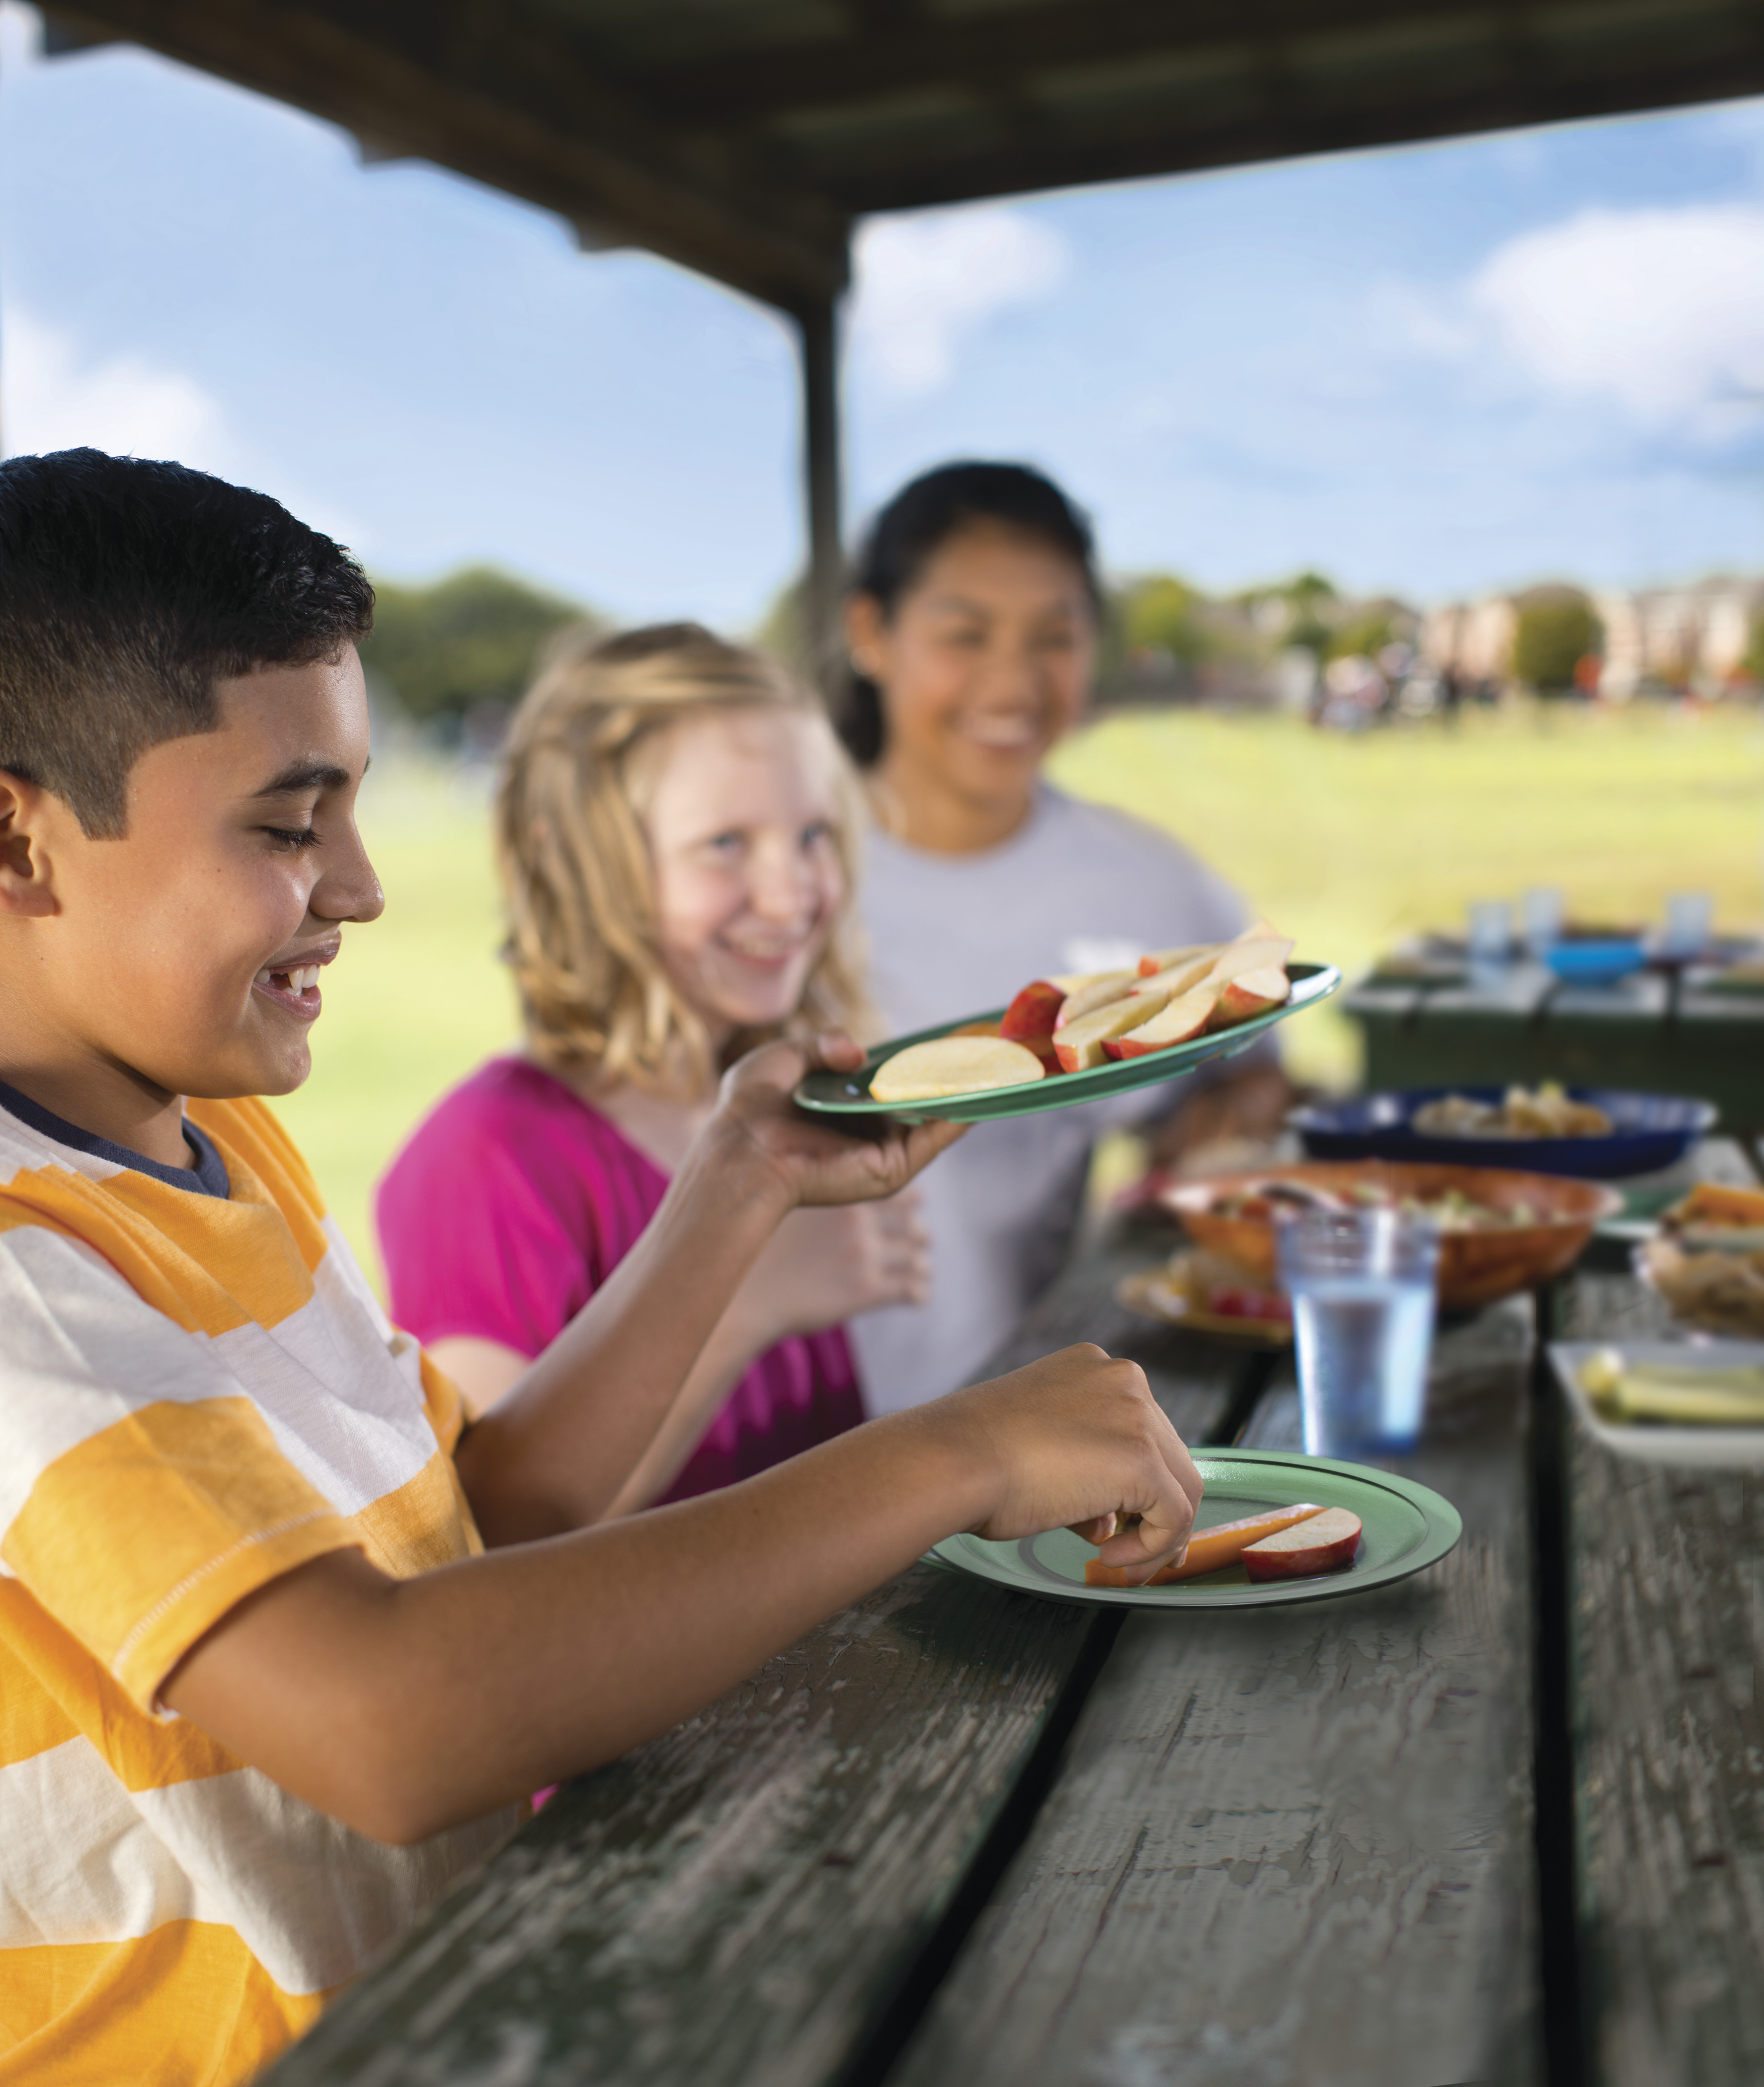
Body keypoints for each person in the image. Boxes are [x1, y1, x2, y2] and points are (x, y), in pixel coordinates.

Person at [0, 449, 1204, 2086]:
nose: (355, 887)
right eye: (291, 824)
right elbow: (392, 1718)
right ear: (19, 843)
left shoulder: (209, 1150)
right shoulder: (22, 1269)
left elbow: (470, 1530)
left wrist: (734, 1189)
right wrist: (955, 1454)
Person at [376, 624, 924, 1508]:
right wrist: (751, 1302)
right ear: (578, 859)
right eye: (725, 844)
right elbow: (490, 1537)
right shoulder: (485, 1158)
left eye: (812, 834)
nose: (790, 894)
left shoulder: (776, 1101)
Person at [838, 461, 1290, 1414]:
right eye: (965, 635)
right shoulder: (767, 883)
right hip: (756, 1461)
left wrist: (1224, 1118)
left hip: (1018, 1433)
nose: (1013, 681)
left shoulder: (1145, 879)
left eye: (1055, 637)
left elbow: (1251, 1079)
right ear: (869, 633)